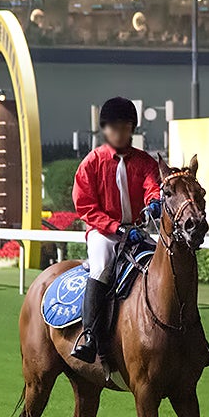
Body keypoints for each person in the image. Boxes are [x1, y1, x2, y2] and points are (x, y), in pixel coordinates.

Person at [70, 97, 160, 363]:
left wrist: (154, 202)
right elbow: (85, 206)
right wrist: (116, 228)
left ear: (132, 129)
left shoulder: (145, 162)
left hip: (136, 231)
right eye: (114, 127)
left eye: (125, 126)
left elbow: (152, 186)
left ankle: (190, 338)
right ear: (105, 130)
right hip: (103, 233)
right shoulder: (92, 162)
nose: (120, 132)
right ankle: (89, 336)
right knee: (101, 268)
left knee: (167, 267)